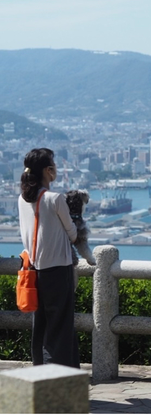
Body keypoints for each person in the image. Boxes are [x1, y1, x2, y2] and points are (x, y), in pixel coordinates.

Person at [18, 148, 79, 368]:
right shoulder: (55, 199)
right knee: (61, 328)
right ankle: (58, 383)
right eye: (53, 165)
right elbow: (72, 234)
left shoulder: (22, 200)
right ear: (48, 170)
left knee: (41, 327)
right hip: (58, 270)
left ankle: (41, 375)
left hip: (34, 271)